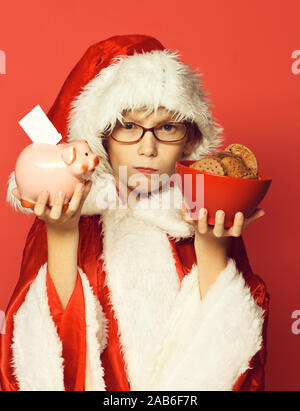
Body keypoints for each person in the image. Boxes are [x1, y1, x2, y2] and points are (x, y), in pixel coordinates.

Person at [0, 34, 269, 391]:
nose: (148, 147)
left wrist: (211, 248)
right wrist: (62, 234)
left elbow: (234, 354)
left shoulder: (206, 215)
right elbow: (46, 355)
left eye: (167, 127)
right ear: (102, 137)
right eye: (129, 126)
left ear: (189, 138)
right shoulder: (71, 216)